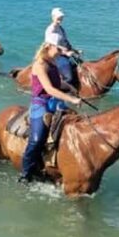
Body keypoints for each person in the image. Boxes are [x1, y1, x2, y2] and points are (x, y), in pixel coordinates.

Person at [19, 42, 82, 183]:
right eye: (58, 48)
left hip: (55, 102)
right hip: (41, 103)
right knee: (37, 139)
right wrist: (70, 98)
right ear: (48, 48)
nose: (60, 51)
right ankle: (25, 173)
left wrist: (71, 88)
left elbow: (58, 84)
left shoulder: (52, 63)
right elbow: (49, 89)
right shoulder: (39, 65)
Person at [44, 7, 81, 89]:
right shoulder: (51, 30)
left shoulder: (60, 28)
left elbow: (65, 43)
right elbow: (53, 47)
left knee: (80, 66)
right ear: (53, 17)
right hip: (57, 56)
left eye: (61, 18)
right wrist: (66, 53)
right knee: (68, 77)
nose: (60, 20)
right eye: (58, 18)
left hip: (65, 54)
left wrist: (75, 51)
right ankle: (57, 94)